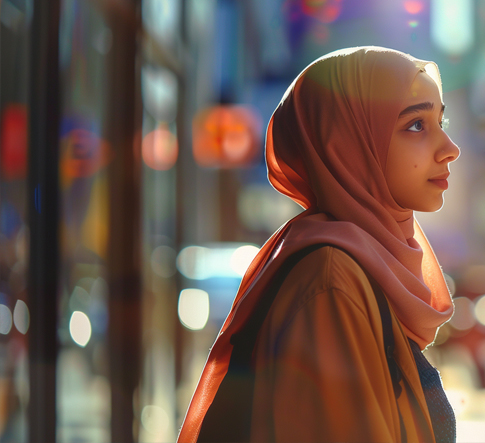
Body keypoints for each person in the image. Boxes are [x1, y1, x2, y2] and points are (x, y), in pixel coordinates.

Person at [177, 47, 460, 443]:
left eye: (441, 120)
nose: (450, 147)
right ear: (347, 144)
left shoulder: (362, 264)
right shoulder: (332, 284)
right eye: (416, 124)